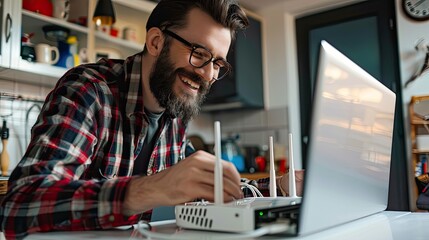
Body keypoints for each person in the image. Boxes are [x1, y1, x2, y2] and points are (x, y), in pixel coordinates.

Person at [0, 0, 303, 238]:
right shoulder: (89, 91)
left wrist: (277, 187)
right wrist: (149, 189)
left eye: (217, 64)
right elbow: (19, 207)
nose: (208, 75)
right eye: (199, 53)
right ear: (156, 42)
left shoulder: (176, 110)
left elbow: (201, 191)